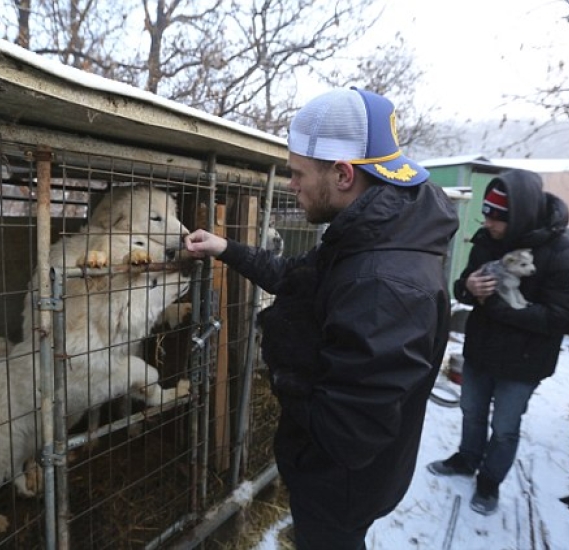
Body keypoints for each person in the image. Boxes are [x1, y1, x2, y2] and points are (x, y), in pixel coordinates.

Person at [184, 87, 459, 549]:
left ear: (344, 174)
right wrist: (225, 248)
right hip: (336, 475)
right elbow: (297, 276)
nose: (291, 185)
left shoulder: (384, 283)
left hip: (341, 488)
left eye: (296, 174)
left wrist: (283, 354)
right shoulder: (368, 237)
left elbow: (349, 433)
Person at [427, 168, 569, 515]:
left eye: (496, 218)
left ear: (520, 215)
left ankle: (489, 483)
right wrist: (468, 289)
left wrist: (498, 308)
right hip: (481, 351)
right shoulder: (488, 240)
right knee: (471, 412)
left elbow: (564, 316)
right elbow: (462, 287)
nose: (487, 223)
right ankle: (466, 458)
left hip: (523, 363)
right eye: (486, 214)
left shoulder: (565, 252)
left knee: (504, 428)